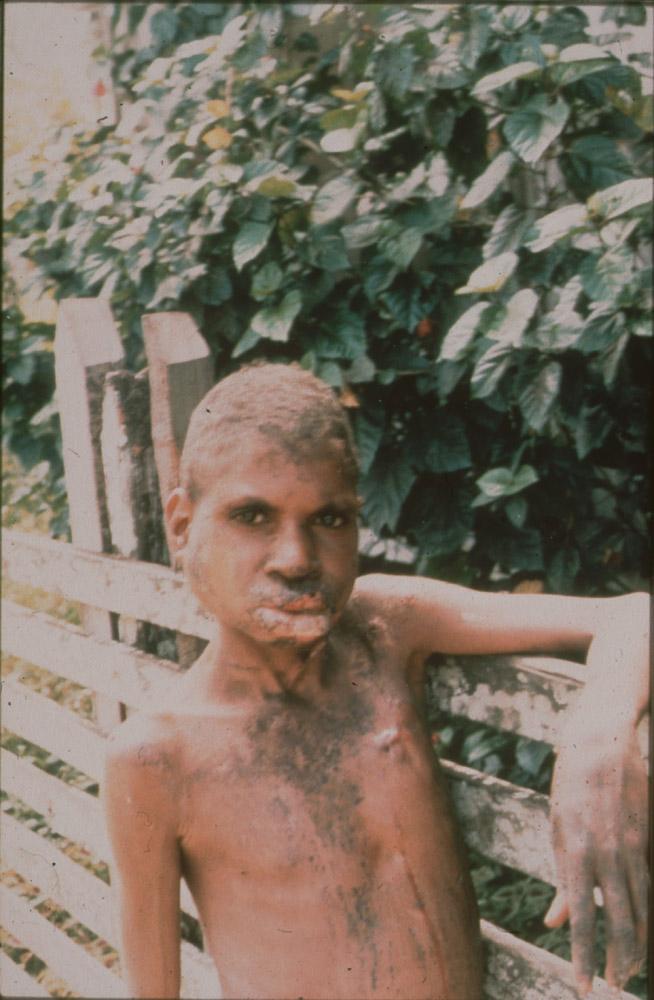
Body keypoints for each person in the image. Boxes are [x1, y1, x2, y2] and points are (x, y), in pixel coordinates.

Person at [104, 363, 648, 1000]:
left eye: (330, 519)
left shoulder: (385, 631)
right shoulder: (153, 758)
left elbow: (633, 613)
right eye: (252, 516)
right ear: (182, 525)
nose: (297, 558)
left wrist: (600, 736)